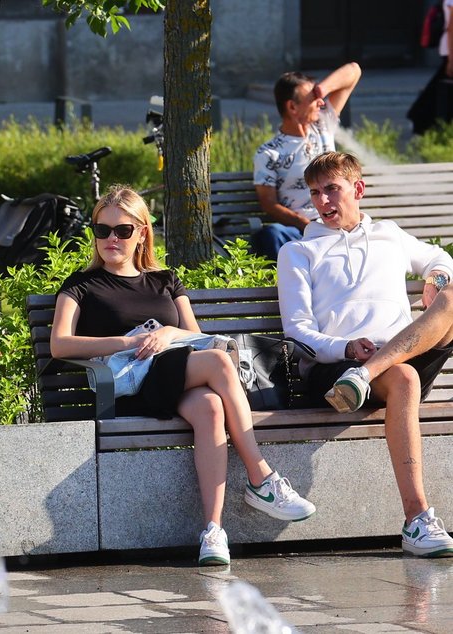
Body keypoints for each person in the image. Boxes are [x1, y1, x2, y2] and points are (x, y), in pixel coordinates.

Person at [50, 185, 316, 566]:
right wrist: (127, 342)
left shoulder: (164, 280)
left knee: (210, 407)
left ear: (141, 232)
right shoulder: (82, 284)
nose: (111, 239)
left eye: (122, 230)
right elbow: (60, 345)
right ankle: (261, 477)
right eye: (102, 230)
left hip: (176, 375)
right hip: (131, 386)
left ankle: (212, 531)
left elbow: (196, 338)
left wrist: (170, 333)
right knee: (221, 365)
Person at [277, 151, 453, 558]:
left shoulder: (388, 234)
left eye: (332, 190)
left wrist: (435, 278)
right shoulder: (299, 252)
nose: (322, 201)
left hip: (390, 357)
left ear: (357, 189)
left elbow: (438, 257)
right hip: (336, 368)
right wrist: (346, 348)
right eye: (315, 193)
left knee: (451, 296)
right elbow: (298, 329)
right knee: (404, 379)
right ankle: (417, 520)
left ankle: (370, 371)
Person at [251, 62, 361, 260]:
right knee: (271, 234)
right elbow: (268, 203)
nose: (321, 102)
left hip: (338, 222)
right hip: (301, 230)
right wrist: (307, 225)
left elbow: (353, 70)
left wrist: (321, 90)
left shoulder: (323, 126)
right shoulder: (269, 153)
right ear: (292, 107)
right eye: (313, 98)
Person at [408, 0, 453, 135]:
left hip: (449, 51)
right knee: (440, 91)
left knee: (439, 90)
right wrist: (451, 58)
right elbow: (451, 28)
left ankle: (421, 119)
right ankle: (421, 119)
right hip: (450, 51)